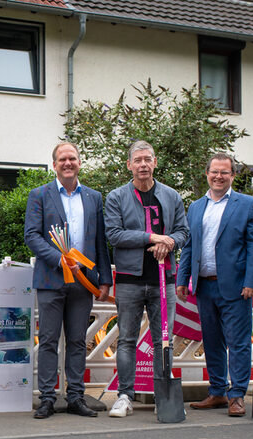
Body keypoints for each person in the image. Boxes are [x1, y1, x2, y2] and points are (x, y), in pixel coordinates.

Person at [24, 142, 113, 419]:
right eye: (62, 159)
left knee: (77, 341)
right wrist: (57, 258)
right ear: (54, 165)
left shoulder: (94, 198)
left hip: (83, 282)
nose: (68, 163)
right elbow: (32, 236)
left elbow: (100, 240)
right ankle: (48, 398)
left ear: (79, 162)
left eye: (72, 158)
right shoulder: (39, 195)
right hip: (51, 278)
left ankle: (75, 396)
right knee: (49, 340)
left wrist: (104, 279)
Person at [104, 140, 189, 418]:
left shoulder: (171, 196)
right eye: (137, 160)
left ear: (155, 163)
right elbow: (114, 235)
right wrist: (152, 237)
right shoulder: (117, 197)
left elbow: (183, 232)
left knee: (162, 340)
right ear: (129, 165)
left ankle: (161, 395)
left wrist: (169, 243)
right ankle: (125, 396)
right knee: (127, 339)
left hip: (163, 279)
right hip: (129, 279)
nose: (142, 165)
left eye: (147, 159)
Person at [177, 153, 253, 417]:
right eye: (214, 171)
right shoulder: (196, 207)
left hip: (236, 287)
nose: (218, 176)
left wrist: (251, 281)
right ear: (207, 173)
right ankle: (217, 391)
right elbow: (190, 245)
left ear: (232, 176)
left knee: (237, 343)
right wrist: (183, 279)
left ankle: (236, 396)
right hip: (204, 285)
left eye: (224, 172)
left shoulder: (247, 204)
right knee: (212, 341)